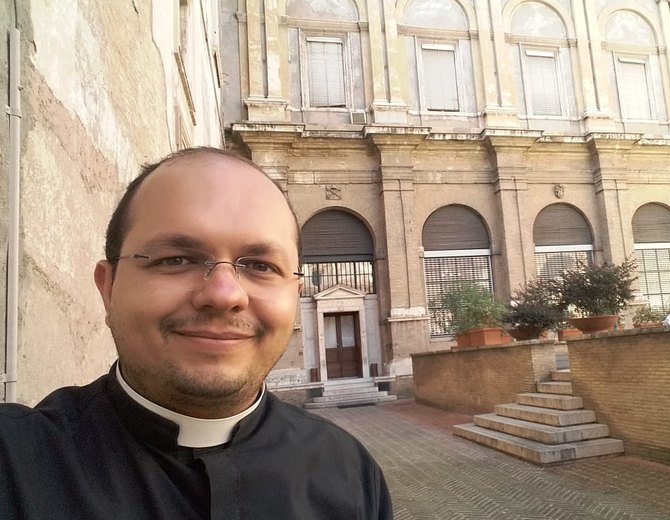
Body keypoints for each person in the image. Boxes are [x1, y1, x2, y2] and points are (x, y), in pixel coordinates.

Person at [0, 147, 392, 519]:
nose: (223, 295)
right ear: (109, 288)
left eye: (259, 265)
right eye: (177, 259)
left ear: (294, 294)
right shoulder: (14, 464)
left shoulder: (350, 474)